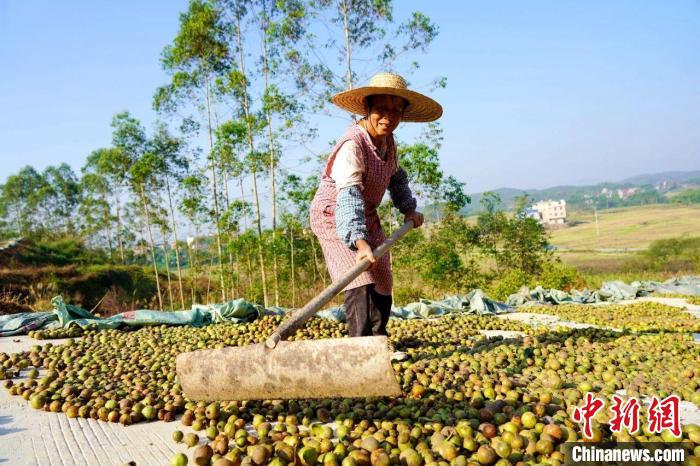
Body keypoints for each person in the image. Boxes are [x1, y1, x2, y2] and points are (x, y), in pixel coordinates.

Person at [309, 72, 443, 348]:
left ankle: (379, 342)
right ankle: (358, 350)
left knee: (382, 279)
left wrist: (409, 209)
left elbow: (396, 178)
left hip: (366, 214)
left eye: (396, 110)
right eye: (381, 109)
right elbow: (349, 197)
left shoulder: (388, 142)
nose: (388, 117)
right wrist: (359, 243)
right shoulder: (352, 145)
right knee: (359, 280)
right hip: (334, 216)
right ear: (368, 109)